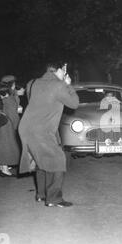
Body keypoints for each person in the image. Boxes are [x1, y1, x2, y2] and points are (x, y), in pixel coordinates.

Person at [18, 62, 79, 207]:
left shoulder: (32, 83)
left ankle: (41, 194)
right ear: (57, 70)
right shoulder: (58, 85)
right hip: (41, 130)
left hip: (27, 127)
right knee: (58, 160)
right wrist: (68, 85)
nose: (64, 73)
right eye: (63, 71)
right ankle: (54, 198)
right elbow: (74, 103)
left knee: (41, 160)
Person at [0, 81, 21, 177]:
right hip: (6, 126)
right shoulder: (9, 99)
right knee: (6, 147)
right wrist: (17, 126)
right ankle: (5, 169)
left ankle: (3, 167)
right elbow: (13, 115)